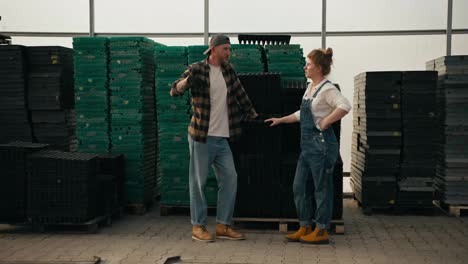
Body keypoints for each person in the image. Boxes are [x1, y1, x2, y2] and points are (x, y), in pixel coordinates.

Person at [170, 34, 258, 242]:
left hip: (222, 138)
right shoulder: (197, 69)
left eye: (229, 49)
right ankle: (198, 226)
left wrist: (254, 114)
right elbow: (174, 90)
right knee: (198, 183)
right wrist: (185, 82)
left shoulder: (228, 70)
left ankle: (222, 225)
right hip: (202, 136)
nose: (229, 53)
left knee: (230, 178)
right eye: (226, 49)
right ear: (214, 49)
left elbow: (240, 94)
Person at [265, 48, 351, 244]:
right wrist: (281, 120)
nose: (305, 67)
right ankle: (305, 226)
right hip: (307, 148)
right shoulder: (311, 87)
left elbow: (344, 105)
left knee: (321, 189)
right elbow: (302, 114)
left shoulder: (328, 89)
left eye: (309, 64)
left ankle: (321, 230)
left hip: (322, 147)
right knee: (299, 187)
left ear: (319, 68)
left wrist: (326, 122)